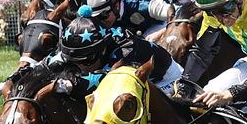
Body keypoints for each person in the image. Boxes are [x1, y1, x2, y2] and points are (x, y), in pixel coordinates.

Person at [47, 15, 182, 97]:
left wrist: (67, 85)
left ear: (103, 49)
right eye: (74, 61)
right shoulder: (93, 43)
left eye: (86, 61)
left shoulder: (126, 52)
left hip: (165, 81)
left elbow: (107, 81)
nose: (79, 67)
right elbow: (53, 60)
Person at [82, 0, 174, 39]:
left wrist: (164, 31)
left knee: (148, 40)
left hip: (158, 25)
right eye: (94, 17)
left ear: (116, 6)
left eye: (103, 15)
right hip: (133, 31)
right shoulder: (113, 8)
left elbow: (179, 13)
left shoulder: (145, 5)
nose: (100, 21)